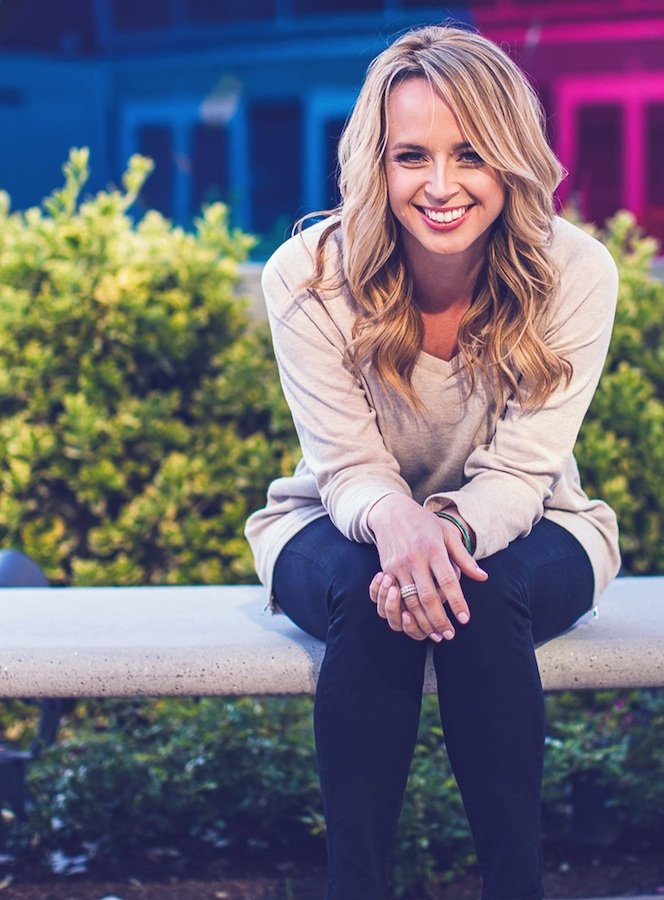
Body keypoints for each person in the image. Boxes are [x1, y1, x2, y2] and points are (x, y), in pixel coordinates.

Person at [245, 23, 620, 900]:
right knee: (369, 599)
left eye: (472, 155)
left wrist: (440, 531)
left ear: (513, 161)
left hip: (533, 518)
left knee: (481, 597)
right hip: (335, 519)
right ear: (376, 163)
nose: (442, 187)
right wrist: (400, 526)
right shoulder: (307, 275)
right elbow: (344, 468)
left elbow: (524, 472)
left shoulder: (575, 271)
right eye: (411, 156)